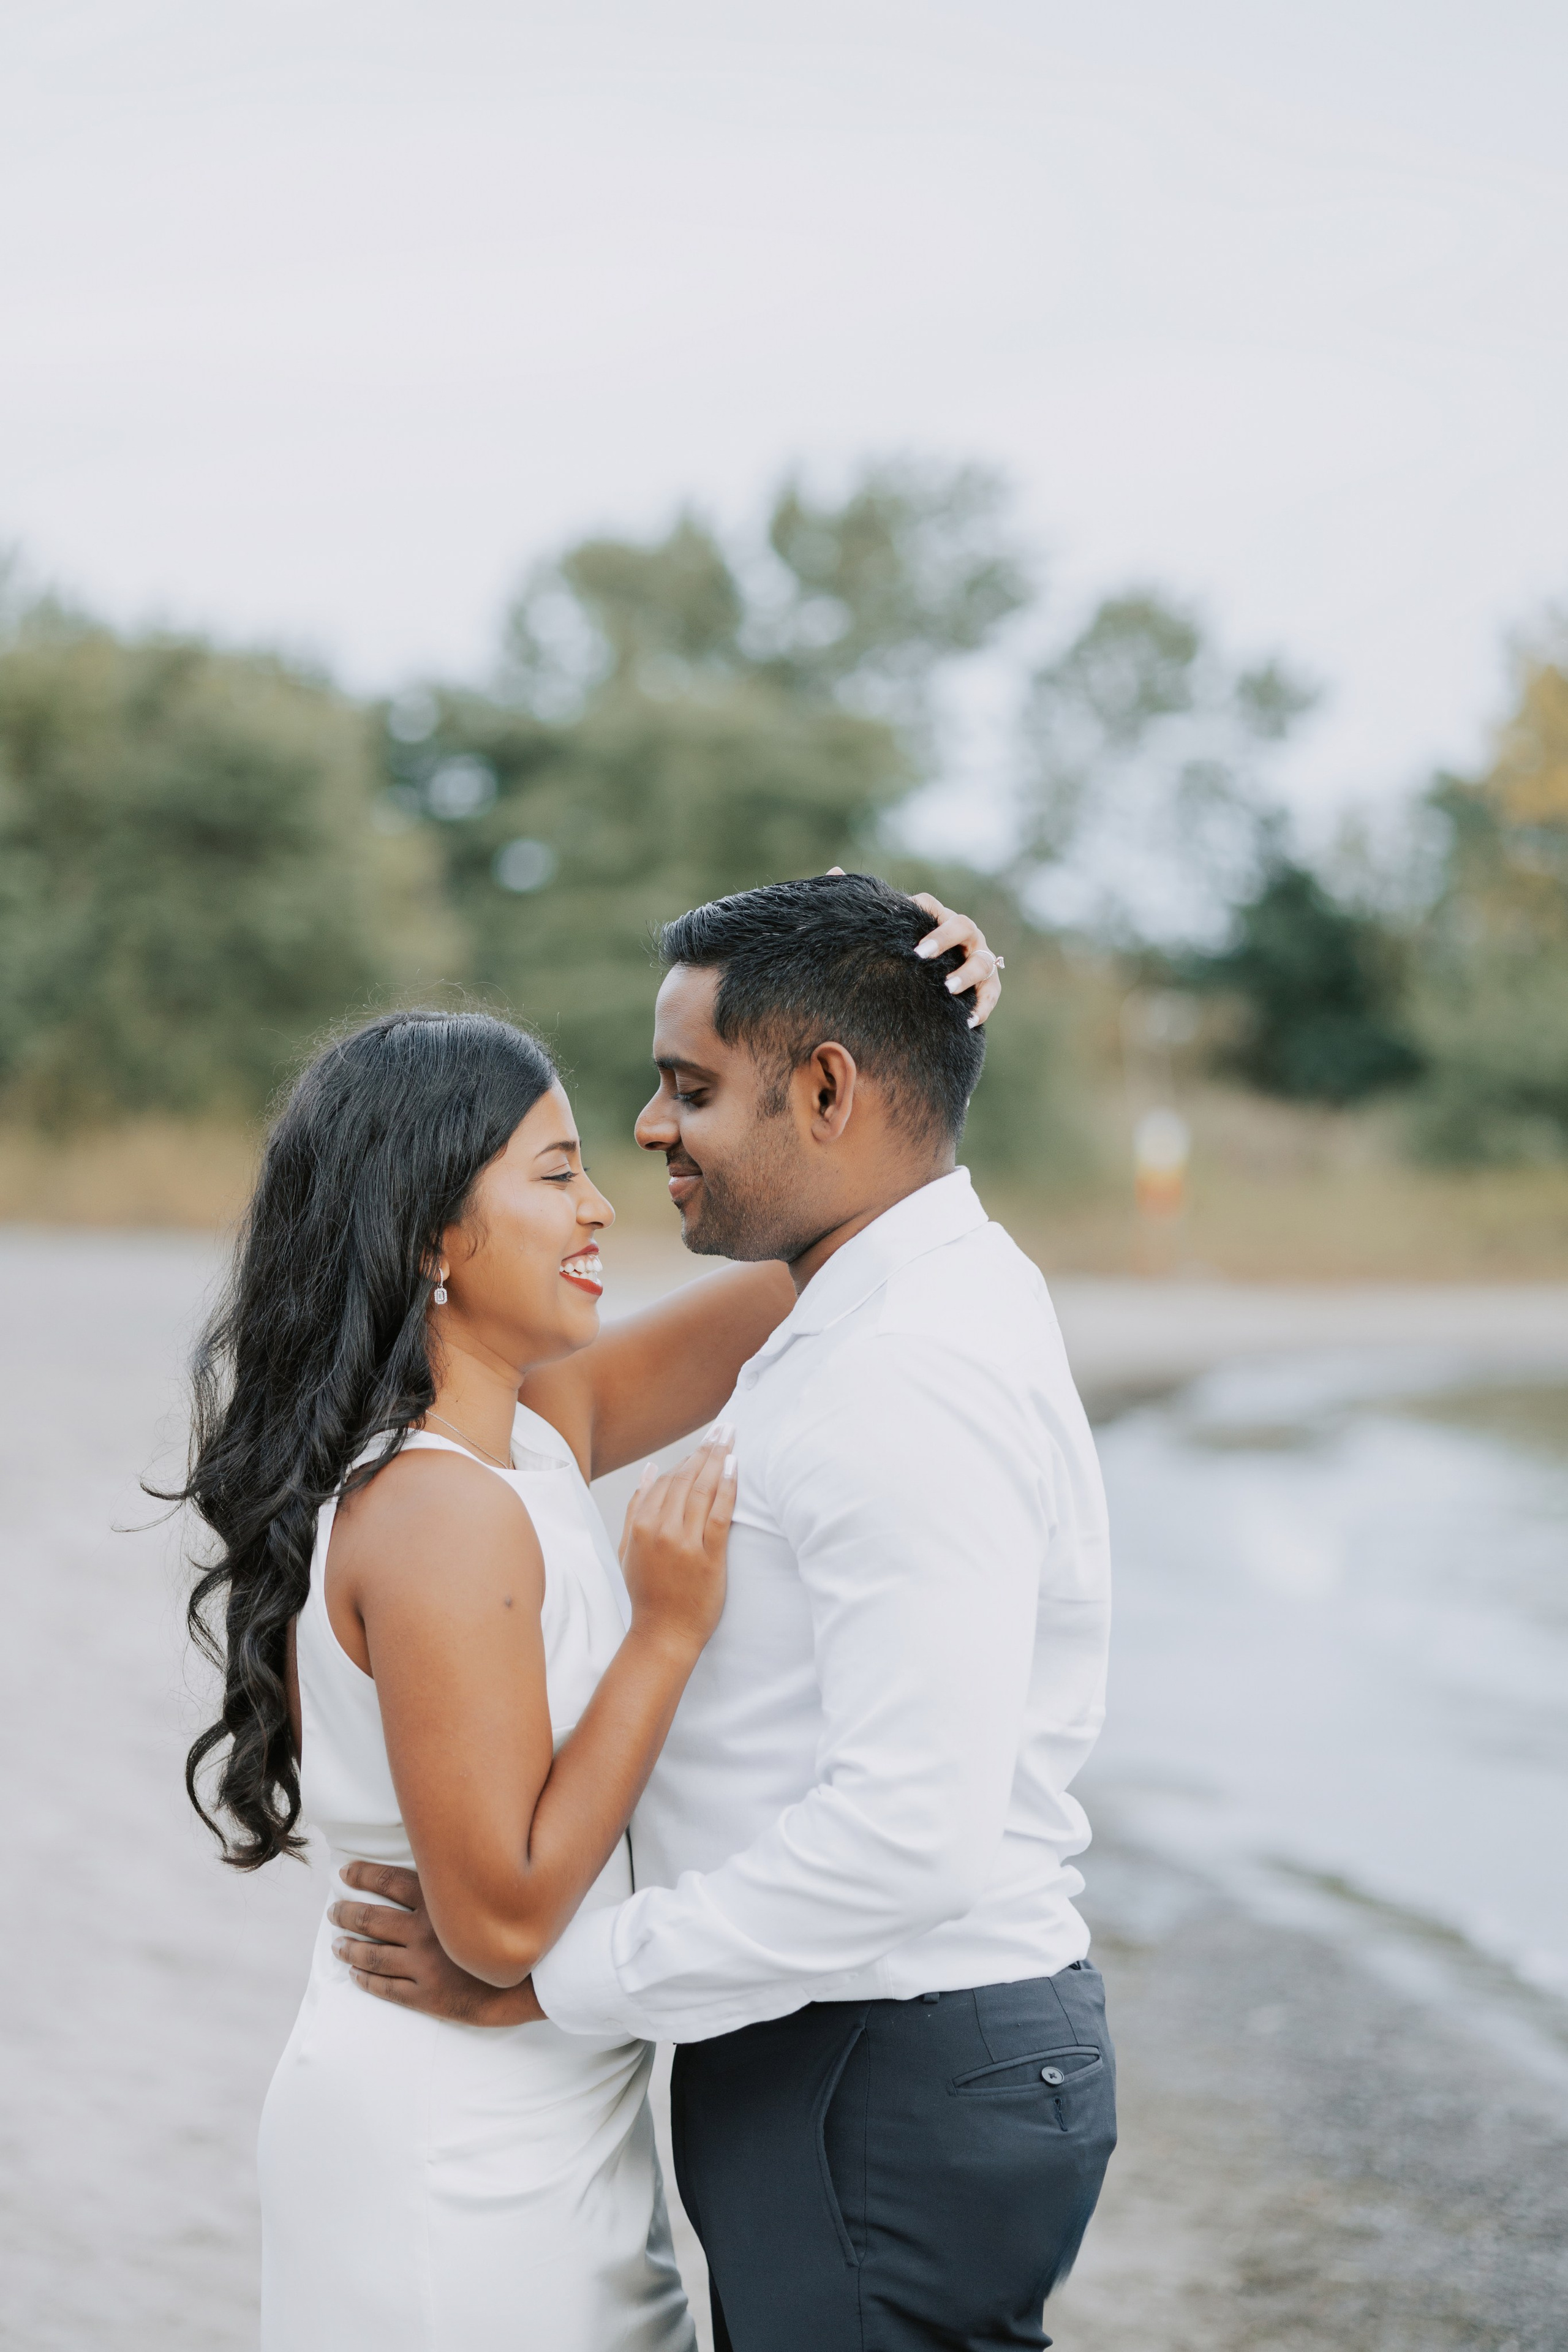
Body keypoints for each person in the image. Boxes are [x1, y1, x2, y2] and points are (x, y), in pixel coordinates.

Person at [176, 884, 1001, 2351]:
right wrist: (662, 1635)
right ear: (433, 1232)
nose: (601, 1206)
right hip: (453, 2146)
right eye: (556, 1174)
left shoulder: (531, 1434)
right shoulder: (437, 1512)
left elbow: (835, 1251)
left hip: (550, 2122)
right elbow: (498, 1921)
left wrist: (903, 1041)